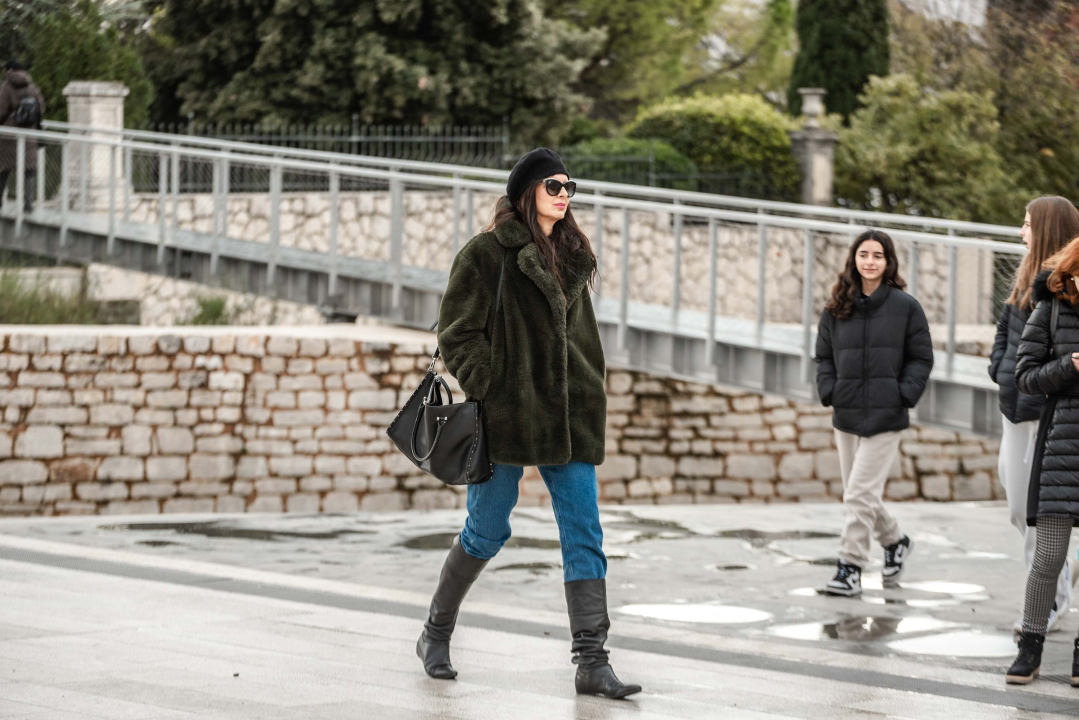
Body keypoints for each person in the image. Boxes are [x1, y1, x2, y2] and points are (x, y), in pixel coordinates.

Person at [415, 148, 641, 699]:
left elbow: (579, 338)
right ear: (528, 191)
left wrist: (590, 382)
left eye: (569, 186)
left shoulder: (573, 253)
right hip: (507, 417)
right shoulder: (486, 253)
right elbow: (456, 332)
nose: (565, 194)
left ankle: (592, 659)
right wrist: (495, 386)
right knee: (487, 530)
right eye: (554, 186)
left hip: (569, 416)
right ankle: (435, 631)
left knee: (584, 531)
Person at [815, 229, 934, 597]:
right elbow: (823, 357)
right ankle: (895, 541)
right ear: (854, 259)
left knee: (857, 494)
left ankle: (849, 567)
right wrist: (829, 390)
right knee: (860, 493)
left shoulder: (905, 306)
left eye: (877, 255)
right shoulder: (836, 307)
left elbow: (921, 358)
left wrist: (903, 395)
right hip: (847, 413)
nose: (870, 261)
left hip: (886, 416)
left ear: (888, 262)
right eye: (863, 254)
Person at [990, 196, 1079, 634]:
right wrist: (998, 369)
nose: (1021, 231)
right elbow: (1003, 336)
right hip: (1013, 406)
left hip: (1043, 413)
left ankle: (1050, 601)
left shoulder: (1063, 284)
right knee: (1014, 507)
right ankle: (1064, 569)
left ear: (1044, 227)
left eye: (1026, 224)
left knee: (1035, 515)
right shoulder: (1024, 276)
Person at [1007, 238, 1079, 686]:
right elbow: (1025, 377)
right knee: (1048, 556)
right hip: (1062, 446)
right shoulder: (1051, 306)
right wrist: (1070, 366)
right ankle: (1030, 645)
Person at [0, 59, 45, 213]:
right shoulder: (32, 86)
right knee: (30, 170)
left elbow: (1, 110)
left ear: (10, 70)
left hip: (8, 136)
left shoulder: (6, 87)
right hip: (29, 134)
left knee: (4, 169)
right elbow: (41, 108)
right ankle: (28, 204)